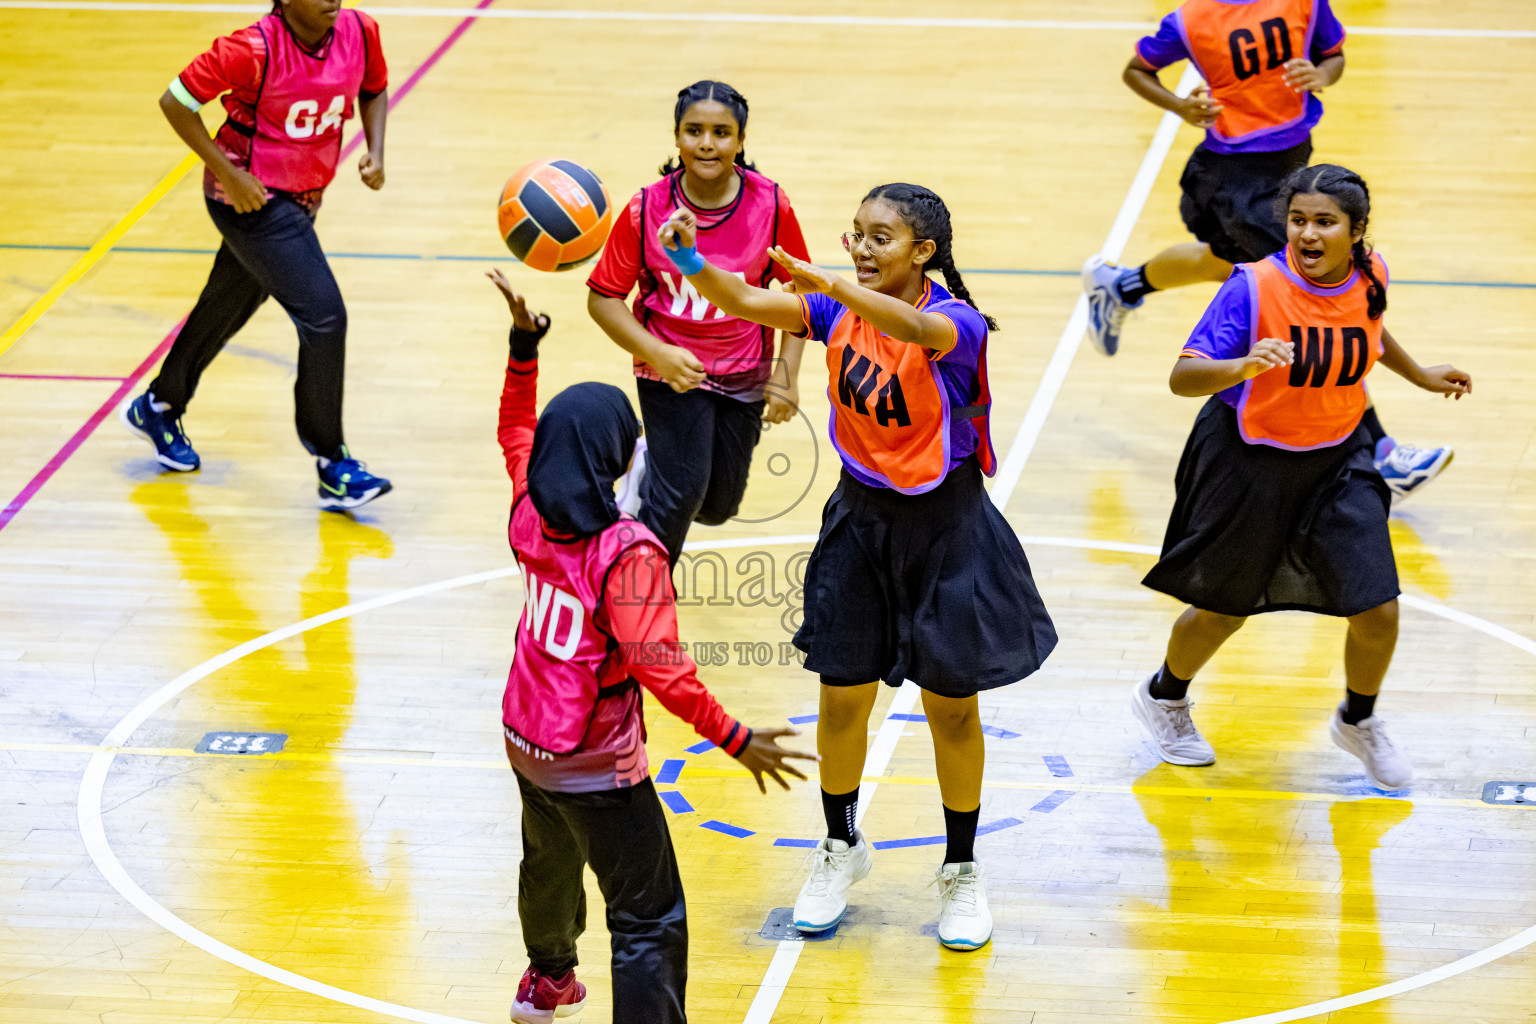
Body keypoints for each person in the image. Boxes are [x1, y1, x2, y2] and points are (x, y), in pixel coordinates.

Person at [655, 184, 1057, 951]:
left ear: (924, 252)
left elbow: (909, 323)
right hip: (860, 520)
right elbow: (740, 297)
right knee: (842, 700)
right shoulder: (838, 306)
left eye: (882, 238)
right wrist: (686, 260)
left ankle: (962, 869)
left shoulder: (955, 325)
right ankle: (841, 846)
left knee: (952, 709)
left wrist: (833, 283)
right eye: (857, 235)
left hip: (948, 527)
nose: (863, 249)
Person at [487, 268, 814, 1024]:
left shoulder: (529, 509)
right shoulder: (628, 552)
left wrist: (522, 349)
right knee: (647, 917)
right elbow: (660, 670)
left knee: (550, 862)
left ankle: (547, 982)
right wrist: (735, 738)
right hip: (597, 760)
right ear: (612, 458)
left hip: (523, 737)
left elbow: (514, 433)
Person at [1133, 165, 1471, 791]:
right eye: (1297, 221)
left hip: (1340, 458)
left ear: (1356, 231)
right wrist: (1239, 365)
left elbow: (1367, 328)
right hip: (1247, 461)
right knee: (1220, 611)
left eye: (1323, 222)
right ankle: (1164, 697)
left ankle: (1358, 720)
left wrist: (1418, 373)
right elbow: (1183, 377)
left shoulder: (1372, 274)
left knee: (1378, 606)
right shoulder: (1252, 287)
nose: (1307, 234)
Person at [1081, 0, 1453, 501]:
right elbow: (1136, 70)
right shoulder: (1189, 20)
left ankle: (1121, 286)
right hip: (1232, 176)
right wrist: (1179, 105)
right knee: (1316, 302)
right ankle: (1383, 453)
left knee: (1226, 264)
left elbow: (1334, 55)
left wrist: (1321, 73)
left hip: (1290, 159)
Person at [119, 0, 392, 511]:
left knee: (228, 304)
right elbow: (175, 101)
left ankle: (159, 405)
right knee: (325, 317)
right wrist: (228, 172)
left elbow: (373, 89)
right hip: (251, 202)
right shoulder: (249, 49)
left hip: (304, 195)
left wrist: (376, 150)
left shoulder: (360, 29)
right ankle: (333, 462)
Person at [586, 80, 811, 563]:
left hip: (744, 369)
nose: (707, 143)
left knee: (717, 507)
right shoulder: (645, 208)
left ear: (741, 140)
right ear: (676, 136)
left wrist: (786, 376)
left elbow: (802, 295)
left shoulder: (770, 205)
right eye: (694, 131)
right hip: (671, 369)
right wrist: (656, 353)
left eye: (721, 132)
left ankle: (644, 466)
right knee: (678, 498)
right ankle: (643, 601)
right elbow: (603, 298)